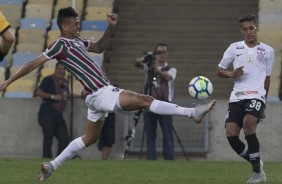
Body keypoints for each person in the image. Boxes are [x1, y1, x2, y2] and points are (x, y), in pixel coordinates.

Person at [0, 7, 216, 181]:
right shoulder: (60, 44)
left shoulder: (78, 41)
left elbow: (100, 47)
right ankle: (192, 112)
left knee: (89, 138)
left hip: (94, 98)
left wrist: (110, 28)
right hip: (100, 92)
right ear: (64, 26)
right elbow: (33, 63)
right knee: (145, 100)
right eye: (75, 23)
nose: (78, 26)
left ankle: (51, 166)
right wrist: (9, 81)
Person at [217, 13, 274, 183]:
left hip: (256, 95)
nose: (249, 32)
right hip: (237, 96)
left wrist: (263, 103)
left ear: (257, 28)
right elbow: (219, 70)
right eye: (245, 29)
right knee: (231, 134)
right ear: (241, 31)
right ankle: (256, 162)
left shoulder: (267, 50)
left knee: (249, 126)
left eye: (251, 28)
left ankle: (257, 174)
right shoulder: (234, 48)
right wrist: (231, 74)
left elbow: (267, 78)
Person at [135, 43, 176, 160]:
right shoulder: (148, 67)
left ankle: (169, 159)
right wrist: (145, 58)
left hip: (165, 106)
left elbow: (167, 77)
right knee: (150, 135)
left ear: (167, 54)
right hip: (149, 105)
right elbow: (136, 63)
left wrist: (155, 69)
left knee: (167, 134)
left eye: (164, 52)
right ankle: (151, 159)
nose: (161, 55)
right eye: (158, 52)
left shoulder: (172, 69)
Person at [35, 61, 70, 158]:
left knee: (64, 138)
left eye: (64, 69)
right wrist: (53, 96)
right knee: (48, 138)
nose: (62, 71)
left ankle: (59, 160)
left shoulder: (65, 82)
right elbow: (38, 92)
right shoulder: (48, 79)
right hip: (47, 114)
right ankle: (47, 160)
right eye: (60, 68)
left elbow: (66, 95)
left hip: (58, 115)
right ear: (55, 69)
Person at [97, 66, 116, 160]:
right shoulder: (93, 84)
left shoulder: (112, 85)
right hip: (97, 113)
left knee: (108, 138)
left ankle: (104, 160)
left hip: (109, 114)